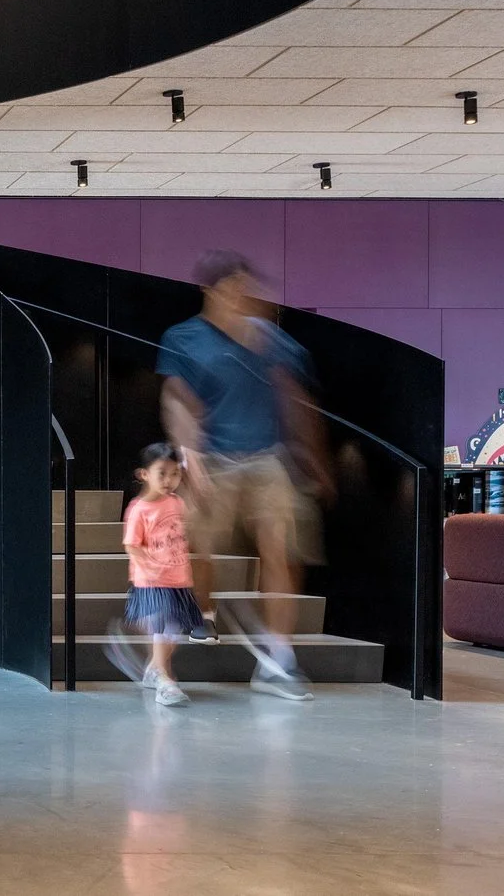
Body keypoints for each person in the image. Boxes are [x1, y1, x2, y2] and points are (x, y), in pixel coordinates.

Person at [157, 249, 330, 701]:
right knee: (197, 545)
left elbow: (295, 396)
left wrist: (312, 455)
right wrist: (190, 459)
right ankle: (201, 613)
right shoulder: (185, 337)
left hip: (265, 457)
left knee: (282, 545)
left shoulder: (268, 339)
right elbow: (177, 402)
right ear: (210, 291)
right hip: (212, 456)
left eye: (246, 287)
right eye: (232, 287)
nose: (243, 295)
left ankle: (277, 661)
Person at [120, 442, 200, 707]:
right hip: (152, 583)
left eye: (175, 474)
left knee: (173, 633)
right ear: (144, 474)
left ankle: (153, 670)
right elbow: (131, 545)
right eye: (162, 473)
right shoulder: (139, 509)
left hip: (178, 579)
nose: (169, 480)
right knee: (161, 629)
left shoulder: (176, 503)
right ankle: (165, 681)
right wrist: (148, 565)